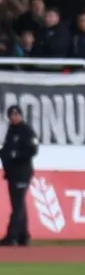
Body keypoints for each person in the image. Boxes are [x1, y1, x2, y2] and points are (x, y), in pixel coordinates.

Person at [2, 105, 39, 247]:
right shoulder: (11, 130)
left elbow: (33, 149)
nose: (13, 116)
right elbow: (7, 149)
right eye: (11, 114)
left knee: (17, 205)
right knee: (18, 204)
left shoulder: (26, 130)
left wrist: (16, 155)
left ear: (21, 115)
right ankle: (24, 236)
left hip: (22, 172)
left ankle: (12, 236)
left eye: (16, 114)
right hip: (12, 173)